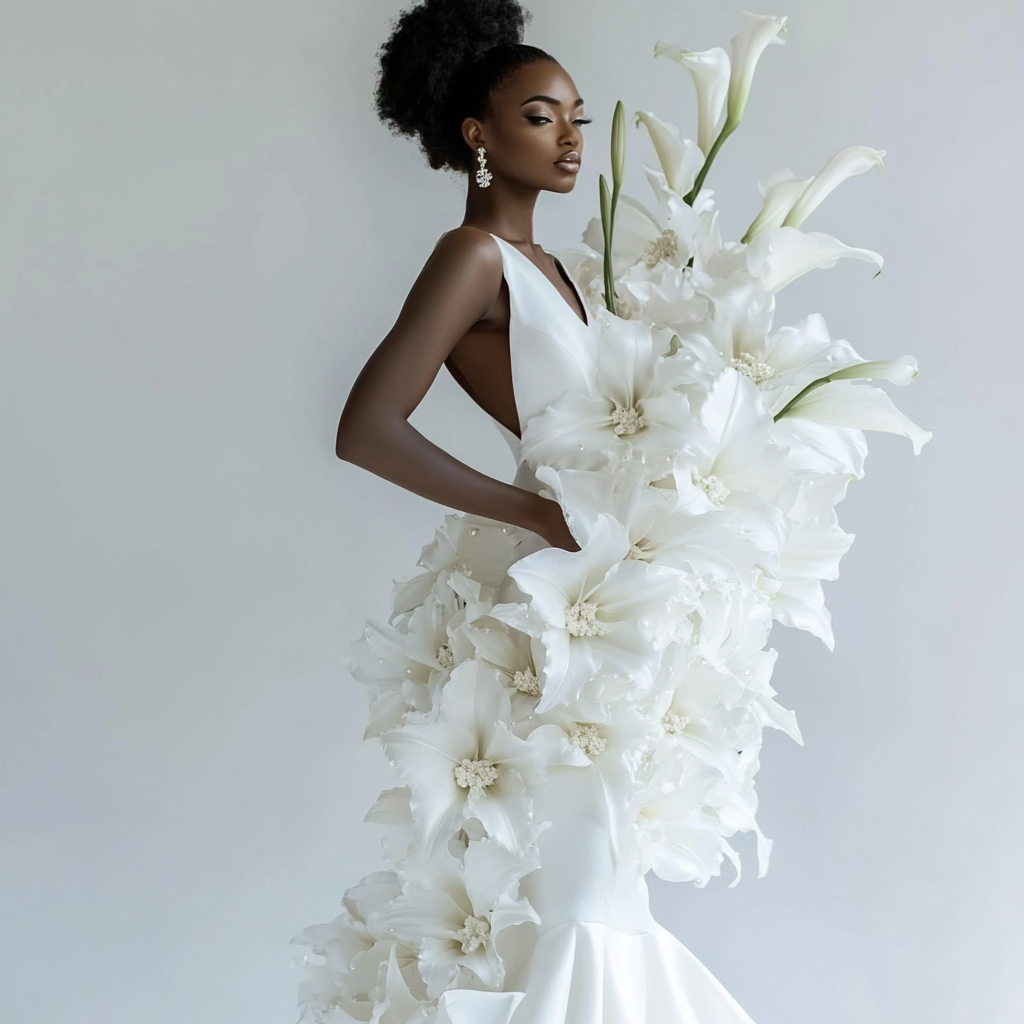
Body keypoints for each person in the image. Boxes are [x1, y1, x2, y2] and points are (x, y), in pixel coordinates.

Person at [295, 2, 758, 1022]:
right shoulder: (474, 258)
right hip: (552, 598)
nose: (570, 140)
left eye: (578, 119)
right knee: (582, 894)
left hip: (608, 597)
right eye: (541, 117)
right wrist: (537, 516)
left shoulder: (559, 271)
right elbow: (366, 427)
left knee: (599, 886)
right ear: (478, 134)